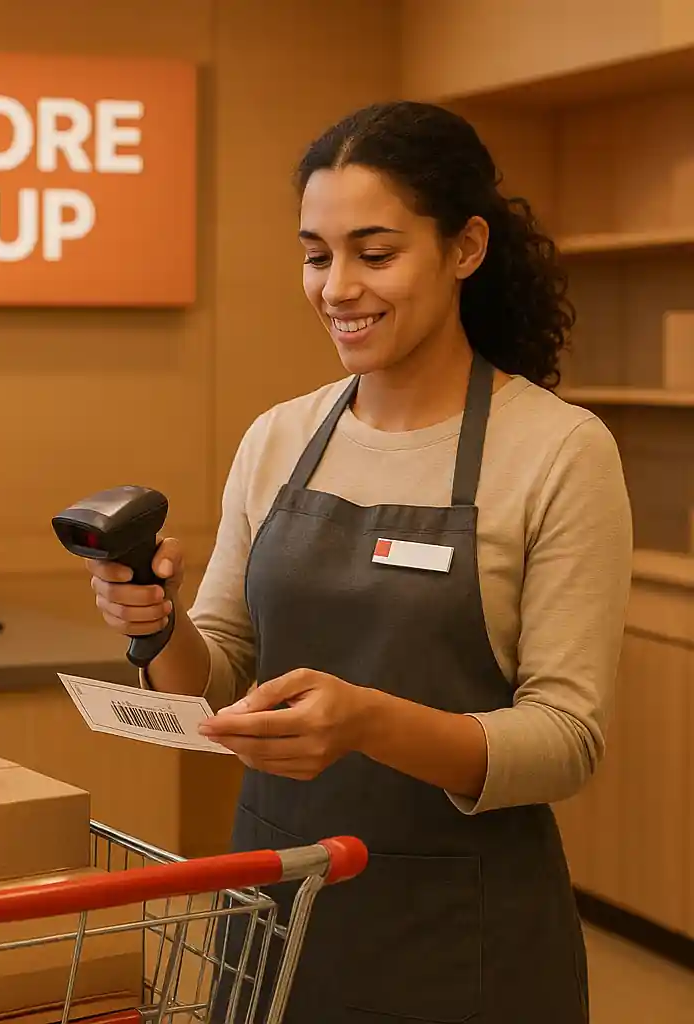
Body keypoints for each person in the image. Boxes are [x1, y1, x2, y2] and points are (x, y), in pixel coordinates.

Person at [83, 101, 633, 1023]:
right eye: (316, 254)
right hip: (272, 904)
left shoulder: (559, 451)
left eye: (374, 255)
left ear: (464, 248)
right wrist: (157, 623)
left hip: (461, 931)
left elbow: (565, 740)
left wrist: (370, 722)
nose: (338, 286)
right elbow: (220, 675)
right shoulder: (280, 437)